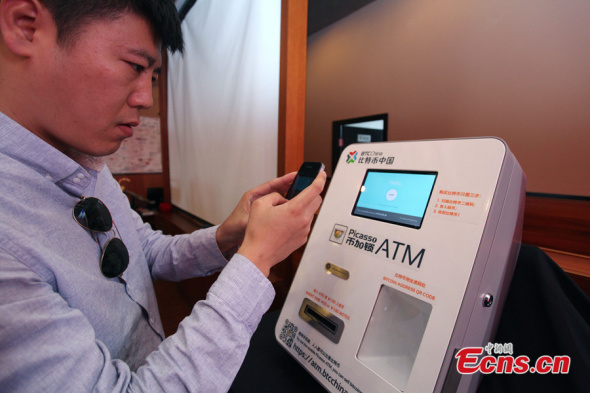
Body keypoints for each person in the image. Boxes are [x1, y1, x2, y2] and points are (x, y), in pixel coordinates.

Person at [0, 0, 326, 392]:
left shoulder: (89, 163)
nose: (145, 99)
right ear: (24, 25)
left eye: (152, 77)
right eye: (136, 66)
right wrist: (257, 259)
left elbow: (146, 251)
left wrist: (228, 235)